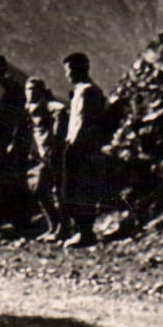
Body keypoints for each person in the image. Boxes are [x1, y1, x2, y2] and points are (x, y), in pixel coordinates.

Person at [59, 51, 111, 247]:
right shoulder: (84, 90)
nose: (68, 75)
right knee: (75, 189)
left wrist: (72, 145)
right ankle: (81, 231)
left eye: (71, 70)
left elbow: (83, 121)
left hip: (81, 147)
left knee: (79, 189)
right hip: (80, 146)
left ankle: (85, 232)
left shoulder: (88, 91)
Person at [0, 55, 31, 234]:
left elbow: (21, 115)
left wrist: (14, 139)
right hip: (4, 140)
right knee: (5, 179)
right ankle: (9, 218)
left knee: (13, 178)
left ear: (4, 68)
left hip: (13, 140)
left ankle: (18, 220)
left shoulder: (12, 88)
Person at [25, 77, 67, 240]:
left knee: (56, 191)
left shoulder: (51, 106)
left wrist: (55, 142)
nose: (30, 93)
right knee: (41, 191)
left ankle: (62, 228)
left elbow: (61, 112)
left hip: (53, 154)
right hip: (42, 155)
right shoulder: (29, 108)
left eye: (33, 89)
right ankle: (54, 226)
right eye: (28, 89)